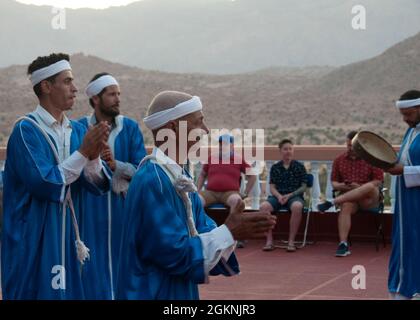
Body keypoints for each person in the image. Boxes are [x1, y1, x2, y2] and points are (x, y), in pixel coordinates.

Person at [116, 91, 276, 300]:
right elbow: (175, 254)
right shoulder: (152, 181)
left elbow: (202, 230)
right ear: (173, 128)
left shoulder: (179, 178)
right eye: (198, 123)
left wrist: (232, 231)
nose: (206, 130)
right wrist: (229, 232)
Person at [1, 53, 111, 299]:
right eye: (67, 81)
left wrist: (93, 158)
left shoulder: (79, 130)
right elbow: (46, 182)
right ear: (46, 86)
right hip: (33, 242)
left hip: (69, 240)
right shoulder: (25, 131)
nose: (75, 88)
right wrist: (84, 152)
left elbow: (98, 185)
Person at [77, 73, 146, 299]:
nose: (117, 98)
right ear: (96, 99)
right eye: (111, 94)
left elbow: (141, 171)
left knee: (124, 268)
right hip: (89, 212)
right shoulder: (79, 128)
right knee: (91, 269)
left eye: (118, 94)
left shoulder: (130, 128)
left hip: (123, 213)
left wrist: (116, 165)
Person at [317, 131, 384, 257]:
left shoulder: (371, 159)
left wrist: (359, 187)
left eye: (353, 146)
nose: (350, 148)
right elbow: (334, 183)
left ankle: (332, 202)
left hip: (369, 199)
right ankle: (343, 244)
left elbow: (378, 181)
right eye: (348, 145)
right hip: (349, 197)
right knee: (346, 206)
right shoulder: (339, 160)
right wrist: (344, 186)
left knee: (370, 186)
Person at [385, 90, 420, 300]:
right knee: (405, 242)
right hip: (406, 201)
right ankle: (403, 287)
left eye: (408, 114)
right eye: (403, 115)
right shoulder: (412, 132)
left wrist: (404, 171)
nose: (405, 119)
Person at [197, 134, 257, 248]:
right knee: (197, 201)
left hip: (230, 193)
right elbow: (202, 175)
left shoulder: (238, 159)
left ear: (232, 146)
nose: (223, 147)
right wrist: (197, 190)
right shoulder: (211, 158)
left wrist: (246, 193)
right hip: (210, 192)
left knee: (237, 202)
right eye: (221, 144)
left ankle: (235, 235)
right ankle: (199, 232)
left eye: (226, 144)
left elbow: (252, 176)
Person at [259, 139, 308, 252]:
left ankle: (291, 241)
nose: (288, 151)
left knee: (297, 207)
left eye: (290, 149)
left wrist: (290, 195)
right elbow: (272, 186)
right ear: (280, 151)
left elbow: (304, 186)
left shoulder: (299, 166)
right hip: (278, 196)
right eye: (285, 149)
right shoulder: (275, 167)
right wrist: (279, 196)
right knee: (263, 207)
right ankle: (269, 241)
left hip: (294, 196)